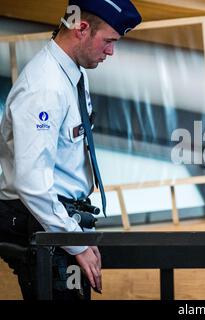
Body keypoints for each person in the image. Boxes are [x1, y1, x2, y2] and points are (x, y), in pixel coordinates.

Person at [0, 0, 141, 299]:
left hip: (62, 218)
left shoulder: (73, 72)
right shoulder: (45, 87)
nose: (111, 52)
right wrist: (74, 241)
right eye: (109, 41)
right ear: (82, 27)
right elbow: (32, 183)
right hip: (40, 220)